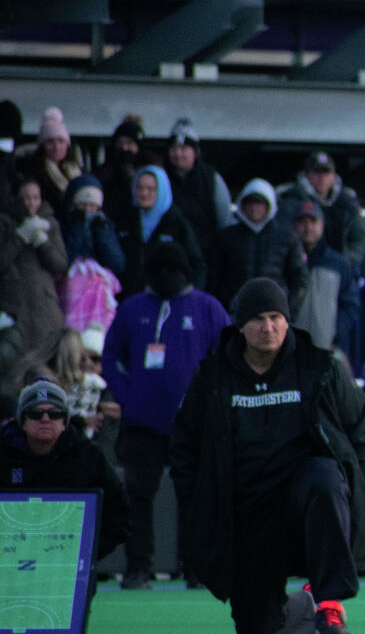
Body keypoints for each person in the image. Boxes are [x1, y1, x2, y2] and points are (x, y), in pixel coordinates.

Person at [168, 278, 365, 634]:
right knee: (257, 628)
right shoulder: (212, 378)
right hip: (248, 515)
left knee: (326, 475)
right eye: (258, 319)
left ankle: (330, 605)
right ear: (239, 326)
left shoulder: (320, 367)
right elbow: (184, 450)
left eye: (275, 317)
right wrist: (195, 511)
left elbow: (362, 433)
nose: (268, 328)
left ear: (288, 320)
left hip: (305, 502)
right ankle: (306, 604)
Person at [102, 236, 230, 587]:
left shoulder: (208, 308)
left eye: (172, 270)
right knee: (139, 497)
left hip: (194, 424)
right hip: (142, 422)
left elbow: (228, 357)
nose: (165, 276)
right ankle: (139, 567)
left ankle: (196, 568)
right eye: (158, 271)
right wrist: (128, 397)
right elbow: (111, 353)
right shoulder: (132, 308)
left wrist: (211, 401)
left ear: (186, 272)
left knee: (195, 497)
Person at [1, 379, 130, 572]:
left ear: (64, 422)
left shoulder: (88, 456)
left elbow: (119, 513)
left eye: (54, 414)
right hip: (8, 563)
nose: (45, 419)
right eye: (36, 414)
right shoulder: (4, 455)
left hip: (68, 564)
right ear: (23, 421)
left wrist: (88, 552)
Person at [1, 171, 69, 399]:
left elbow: (60, 264)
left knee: (38, 366)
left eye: (35, 197)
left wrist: (42, 241)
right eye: (26, 197)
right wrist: (20, 237)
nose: (31, 203)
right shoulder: (6, 223)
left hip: (43, 309)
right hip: (15, 307)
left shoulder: (49, 224)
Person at [208, 179, 307, 311]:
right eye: (250, 203)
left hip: (275, 312)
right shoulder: (226, 237)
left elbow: (299, 277)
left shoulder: (287, 237)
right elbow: (214, 277)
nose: (254, 208)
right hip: (236, 312)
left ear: (270, 205)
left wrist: (288, 312)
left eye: (260, 203)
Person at [276, 150, 365, 271]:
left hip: (338, 269)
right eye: (316, 172)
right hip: (296, 267)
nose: (322, 177)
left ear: (333, 174)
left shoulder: (347, 200)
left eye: (326, 172)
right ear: (305, 174)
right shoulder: (290, 197)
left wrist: (344, 264)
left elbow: (358, 238)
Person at [119, 164, 206, 293]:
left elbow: (197, 263)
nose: (144, 193)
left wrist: (191, 295)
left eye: (151, 189)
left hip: (167, 299)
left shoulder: (176, 223)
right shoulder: (124, 219)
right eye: (139, 187)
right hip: (129, 297)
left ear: (162, 190)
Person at [289, 198, 359, 355]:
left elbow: (350, 305)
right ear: (295, 225)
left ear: (322, 224)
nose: (308, 227)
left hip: (325, 348)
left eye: (313, 221)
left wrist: (333, 331)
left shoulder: (337, 263)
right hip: (289, 348)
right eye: (303, 222)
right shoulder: (284, 259)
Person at [162, 118, 233, 236]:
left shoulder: (211, 178)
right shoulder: (162, 178)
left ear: (195, 152)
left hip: (206, 249)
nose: (178, 154)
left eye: (184, 149)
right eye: (174, 148)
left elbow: (224, 219)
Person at [13, 107, 83, 201]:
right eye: (50, 142)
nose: (56, 147)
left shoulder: (75, 168)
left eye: (61, 141)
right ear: (43, 146)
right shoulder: (33, 170)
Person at [97, 116, 149, 238]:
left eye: (129, 143)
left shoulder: (146, 167)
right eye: (120, 143)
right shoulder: (106, 168)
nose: (124, 148)